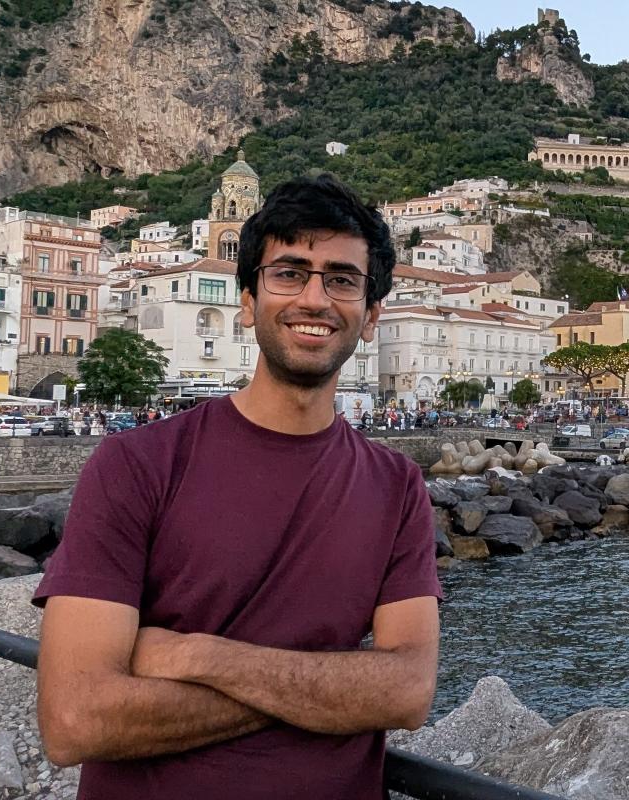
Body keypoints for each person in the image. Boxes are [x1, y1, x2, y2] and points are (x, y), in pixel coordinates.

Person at [33, 174, 441, 800]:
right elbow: (75, 720)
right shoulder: (136, 464)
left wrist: (197, 658)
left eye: (341, 279)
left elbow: (406, 693)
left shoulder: (398, 486)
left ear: (370, 314)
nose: (315, 298)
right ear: (248, 300)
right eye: (288, 273)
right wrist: (329, 692)